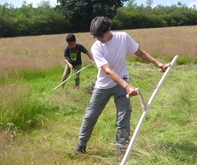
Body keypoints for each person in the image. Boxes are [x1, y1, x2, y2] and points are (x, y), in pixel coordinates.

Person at [72, 16, 169, 155]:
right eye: (95, 37)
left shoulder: (123, 37)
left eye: (100, 36)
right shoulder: (96, 47)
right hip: (103, 86)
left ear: (109, 29)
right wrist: (127, 86)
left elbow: (139, 52)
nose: (98, 39)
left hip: (121, 83)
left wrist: (158, 63)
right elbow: (107, 70)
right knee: (90, 116)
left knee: (123, 117)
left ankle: (122, 150)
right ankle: (81, 145)